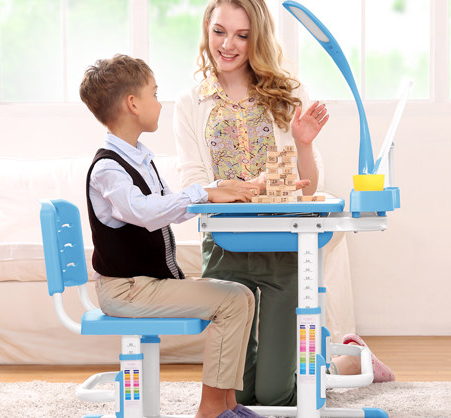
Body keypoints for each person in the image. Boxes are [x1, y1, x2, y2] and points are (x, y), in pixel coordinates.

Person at [173, 0, 394, 407]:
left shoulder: (287, 93)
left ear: (257, 38)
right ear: (207, 29)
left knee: (277, 395)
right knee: (237, 393)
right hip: (224, 246)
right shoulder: (190, 102)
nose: (228, 44)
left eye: (242, 35)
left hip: (283, 245)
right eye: (220, 31)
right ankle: (326, 365)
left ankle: (345, 362)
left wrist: (304, 144)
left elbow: (308, 188)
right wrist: (243, 188)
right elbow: (192, 184)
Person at [80, 53, 265, 418]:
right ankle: (211, 410)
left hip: (144, 285)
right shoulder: (108, 169)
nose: (160, 102)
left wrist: (218, 189)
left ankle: (228, 404)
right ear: (133, 104)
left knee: (242, 295)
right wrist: (204, 193)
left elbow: (169, 207)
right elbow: (144, 213)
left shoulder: (140, 160)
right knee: (231, 301)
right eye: (154, 93)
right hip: (127, 290)